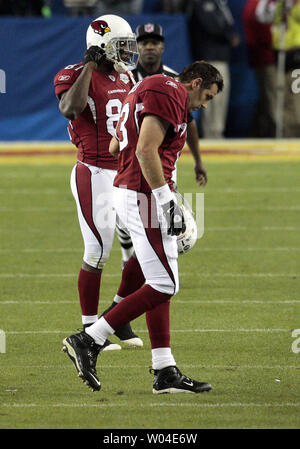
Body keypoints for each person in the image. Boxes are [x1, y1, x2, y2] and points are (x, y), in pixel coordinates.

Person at [62, 60, 223, 393]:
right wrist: (167, 202)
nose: (205, 105)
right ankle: (90, 338)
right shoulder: (168, 90)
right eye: (207, 96)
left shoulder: (146, 88)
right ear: (194, 83)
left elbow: (114, 145)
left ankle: (165, 370)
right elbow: (145, 149)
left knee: (158, 279)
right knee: (165, 285)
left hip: (136, 190)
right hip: (144, 195)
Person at [54, 15, 143, 351]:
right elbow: (70, 109)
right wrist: (89, 68)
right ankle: (90, 329)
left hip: (124, 171)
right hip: (94, 173)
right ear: (100, 48)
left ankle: (116, 316)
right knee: (98, 251)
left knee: (146, 246)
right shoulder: (73, 75)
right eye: (120, 46)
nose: (126, 52)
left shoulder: (127, 74)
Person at [115, 23, 208, 265]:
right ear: (137, 46)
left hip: (158, 168)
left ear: (163, 46)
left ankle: (146, 272)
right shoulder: (125, 77)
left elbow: (189, 123)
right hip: (129, 163)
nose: (149, 47)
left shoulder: (174, 79)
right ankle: (135, 265)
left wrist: (198, 160)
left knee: (161, 231)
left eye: (154, 42)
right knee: (131, 226)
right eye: (144, 42)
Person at [186, 0, 240, 139]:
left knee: (221, 98)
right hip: (210, 57)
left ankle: (217, 132)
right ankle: (211, 132)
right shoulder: (201, 4)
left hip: (220, 57)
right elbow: (210, 26)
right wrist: (229, 36)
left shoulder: (219, 5)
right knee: (211, 96)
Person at [256, 0, 300, 137]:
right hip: (281, 55)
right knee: (282, 97)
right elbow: (261, 16)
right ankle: (288, 134)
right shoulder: (278, 4)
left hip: (297, 56)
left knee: (296, 97)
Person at [243, 0, 277, 137]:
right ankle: (279, 133)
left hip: (265, 58)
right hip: (267, 58)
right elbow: (262, 33)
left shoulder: (255, 4)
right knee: (273, 97)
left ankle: (258, 132)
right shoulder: (256, 5)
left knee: (266, 99)